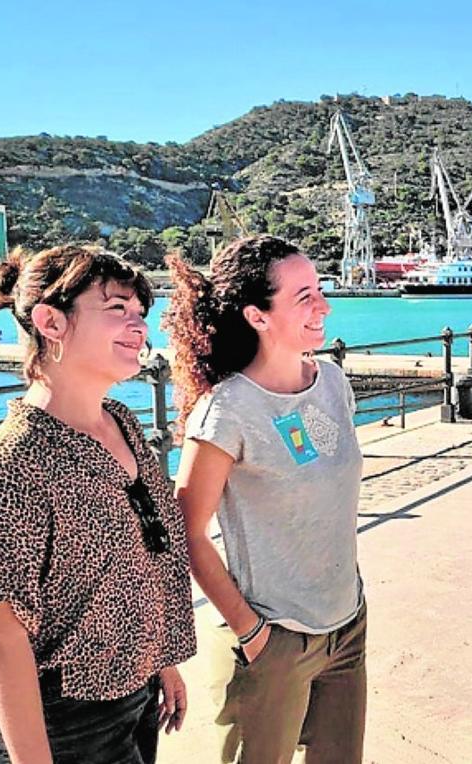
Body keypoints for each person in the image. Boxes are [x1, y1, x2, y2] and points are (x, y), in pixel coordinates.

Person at [0, 244, 195, 764]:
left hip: (135, 694)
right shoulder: (19, 462)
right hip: (66, 720)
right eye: (116, 310)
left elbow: (142, 555)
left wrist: (162, 661)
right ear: (51, 322)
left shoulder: (121, 422)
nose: (138, 326)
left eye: (139, 314)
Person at [164, 235, 366, 764]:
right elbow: (187, 532)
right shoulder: (227, 410)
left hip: (347, 627)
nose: (323, 306)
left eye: (319, 290)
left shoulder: (333, 382)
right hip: (272, 643)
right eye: (304, 297)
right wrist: (253, 633)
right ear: (257, 316)